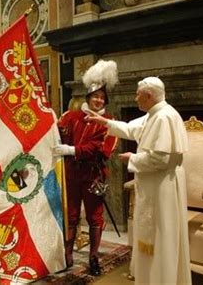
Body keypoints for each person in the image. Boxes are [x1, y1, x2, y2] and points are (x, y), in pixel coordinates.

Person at [85, 77, 191, 284]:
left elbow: (160, 159)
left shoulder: (163, 117)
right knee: (155, 237)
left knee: (161, 237)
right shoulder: (155, 113)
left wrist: (132, 158)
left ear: (149, 95)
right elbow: (130, 129)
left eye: (138, 94)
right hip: (155, 184)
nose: (135, 98)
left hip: (162, 186)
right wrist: (104, 122)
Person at [53, 60, 119, 276]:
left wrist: (72, 150)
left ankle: (93, 257)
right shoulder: (71, 116)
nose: (98, 100)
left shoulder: (109, 122)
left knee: (94, 217)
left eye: (102, 97)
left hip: (93, 176)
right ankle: (68, 254)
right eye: (95, 96)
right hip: (72, 175)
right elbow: (57, 132)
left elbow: (102, 150)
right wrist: (51, 120)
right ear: (88, 97)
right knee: (71, 215)